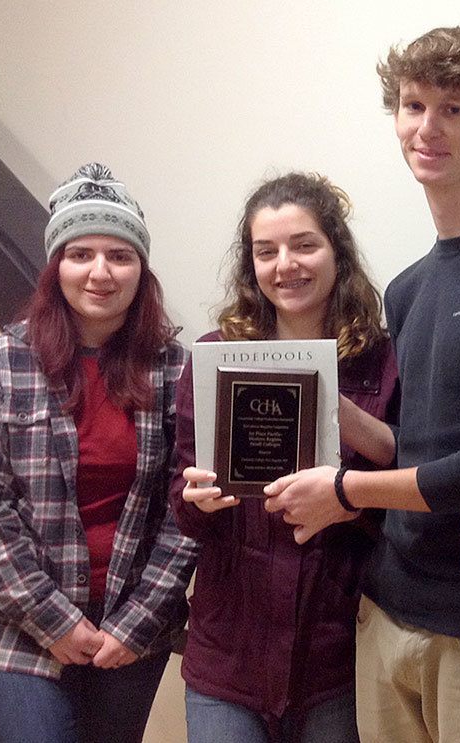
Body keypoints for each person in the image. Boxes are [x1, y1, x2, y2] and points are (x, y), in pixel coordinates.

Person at [262, 25, 460, 743]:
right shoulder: (408, 286)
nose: (426, 128)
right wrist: (329, 406)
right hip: (385, 612)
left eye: (453, 109)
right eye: (412, 106)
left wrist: (343, 493)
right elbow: (420, 448)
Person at [0, 162, 195, 742]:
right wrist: (54, 621)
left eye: (120, 255)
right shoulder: (1, 363)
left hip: (129, 630)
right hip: (15, 629)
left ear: (142, 269)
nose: (100, 272)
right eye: (80, 253)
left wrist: (136, 624)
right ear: (55, 266)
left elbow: (186, 509)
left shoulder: (173, 368)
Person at [171, 173, 400, 743]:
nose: (285, 265)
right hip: (229, 659)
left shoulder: (386, 362)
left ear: (336, 252)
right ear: (251, 265)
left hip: (336, 657)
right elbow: (181, 504)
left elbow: (409, 496)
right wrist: (197, 498)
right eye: (265, 251)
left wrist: (352, 505)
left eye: (304, 245)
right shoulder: (216, 356)